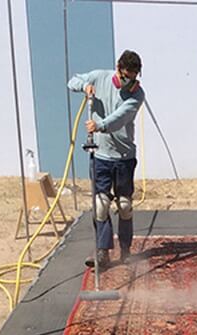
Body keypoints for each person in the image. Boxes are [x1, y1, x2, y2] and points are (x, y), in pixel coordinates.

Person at [67, 50, 145, 269]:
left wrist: (100, 125)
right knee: (101, 204)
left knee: (124, 205)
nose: (128, 82)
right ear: (118, 68)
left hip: (124, 156)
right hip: (101, 155)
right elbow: (72, 81)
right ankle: (102, 251)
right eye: (125, 76)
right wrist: (84, 86)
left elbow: (120, 117)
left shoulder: (137, 95)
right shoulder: (99, 77)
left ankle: (126, 249)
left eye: (133, 77)